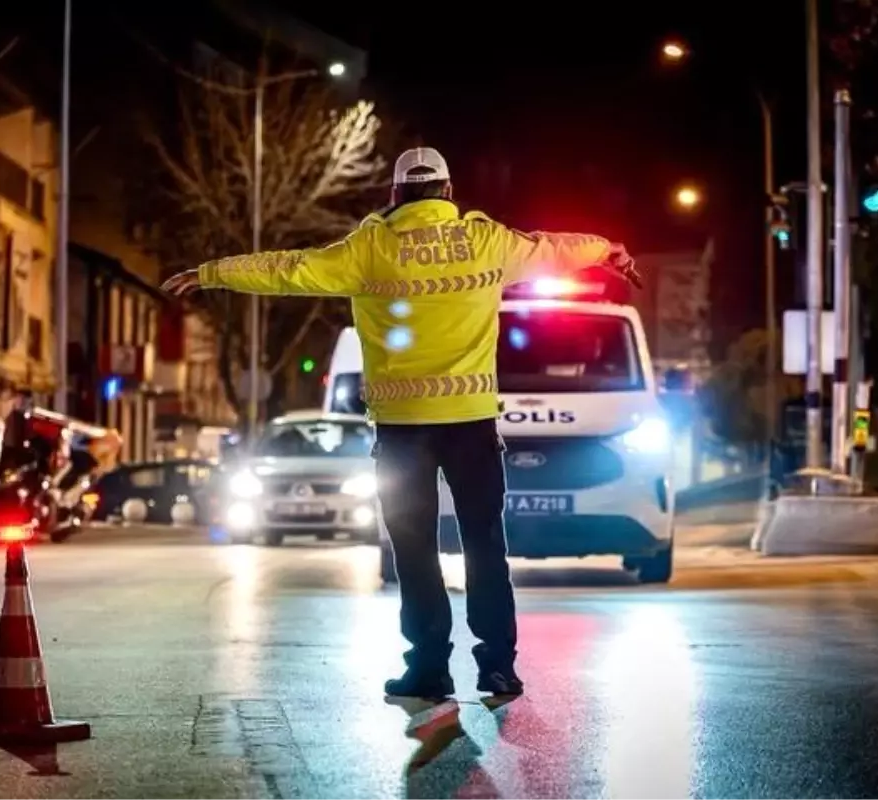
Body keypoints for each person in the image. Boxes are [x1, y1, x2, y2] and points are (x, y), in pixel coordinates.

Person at [163, 146, 639, 699]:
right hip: (471, 424)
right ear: (448, 191)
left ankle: (430, 669)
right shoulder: (487, 242)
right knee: (485, 543)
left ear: (395, 195)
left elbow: (289, 268)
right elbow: (557, 248)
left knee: (413, 550)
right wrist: (608, 250)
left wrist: (213, 273)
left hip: (402, 431)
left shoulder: (369, 250)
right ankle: (498, 667)